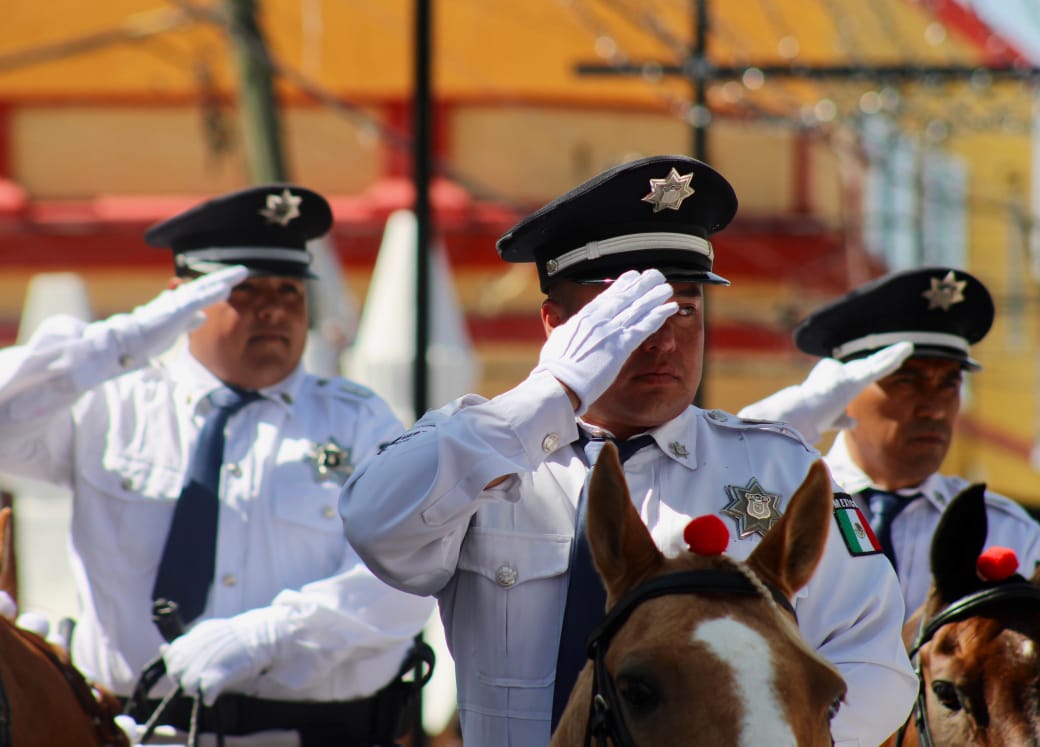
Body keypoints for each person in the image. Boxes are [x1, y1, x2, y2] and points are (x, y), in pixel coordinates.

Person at [340, 155, 917, 747]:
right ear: (557, 326)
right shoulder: (487, 456)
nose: (664, 340)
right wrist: (552, 390)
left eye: (685, 309)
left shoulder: (778, 471)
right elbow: (375, 523)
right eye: (629, 318)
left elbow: (873, 665)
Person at [0, 184, 436, 746]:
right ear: (181, 298)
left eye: (289, 289)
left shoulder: (359, 421)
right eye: (244, 290)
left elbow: (405, 578)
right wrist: (114, 344)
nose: (274, 307)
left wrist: (269, 635)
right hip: (139, 733)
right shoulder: (111, 406)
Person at [739, 266, 1040, 617]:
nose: (935, 409)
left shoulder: (1004, 529)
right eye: (907, 380)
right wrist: (793, 416)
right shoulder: (785, 502)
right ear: (845, 389)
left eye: (949, 384)